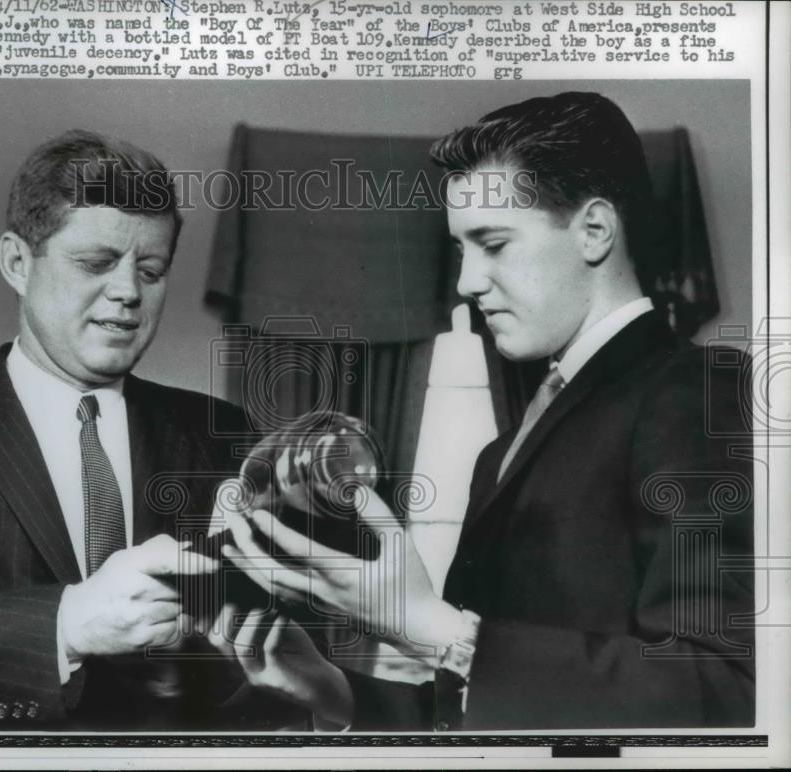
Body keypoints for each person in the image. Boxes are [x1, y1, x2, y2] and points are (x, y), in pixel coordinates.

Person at [223, 92, 756, 730]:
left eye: (494, 243)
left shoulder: (702, 391)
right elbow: (486, 716)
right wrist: (333, 689)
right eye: (461, 250)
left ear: (594, 231)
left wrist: (432, 629)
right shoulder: (497, 457)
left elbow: (727, 689)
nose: (467, 282)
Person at [0, 129, 321, 731]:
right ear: (17, 263)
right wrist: (68, 623)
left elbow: (270, 669)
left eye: (151, 271)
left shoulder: (223, 431)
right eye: (96, 263)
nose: (127, 291)